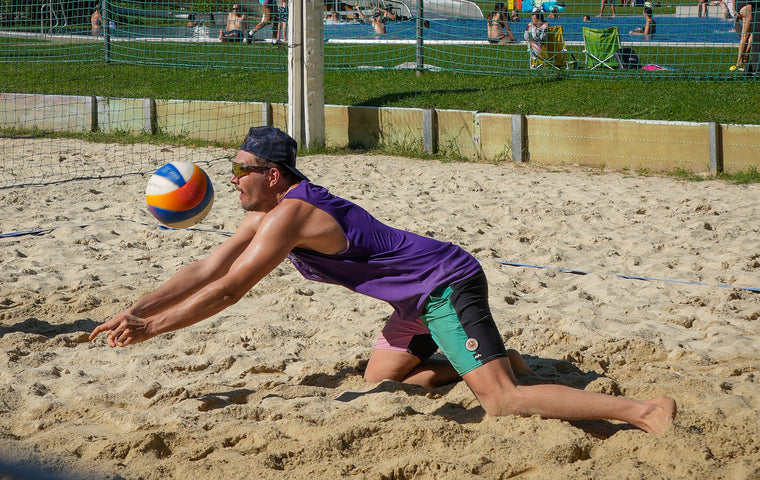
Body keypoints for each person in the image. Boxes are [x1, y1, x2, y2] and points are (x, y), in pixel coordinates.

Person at [89, 126, 677, 434]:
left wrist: (155, 327)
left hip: (443, 285)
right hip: (409, 303)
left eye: (239, 170)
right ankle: (494, 358)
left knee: (501, 404)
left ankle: (644, 410)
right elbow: (207, 268)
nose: (230, 179)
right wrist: (135, 308)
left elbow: (230, 289)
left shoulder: (291, 214)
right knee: (385, 384)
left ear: (272, 175)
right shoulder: (269, 212)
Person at [734, 0, 757, 72]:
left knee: (751, 33)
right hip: (748, 6)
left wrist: (734, 10)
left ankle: (745, 57)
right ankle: (740, 61)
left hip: (739, 6)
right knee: (746, 36)